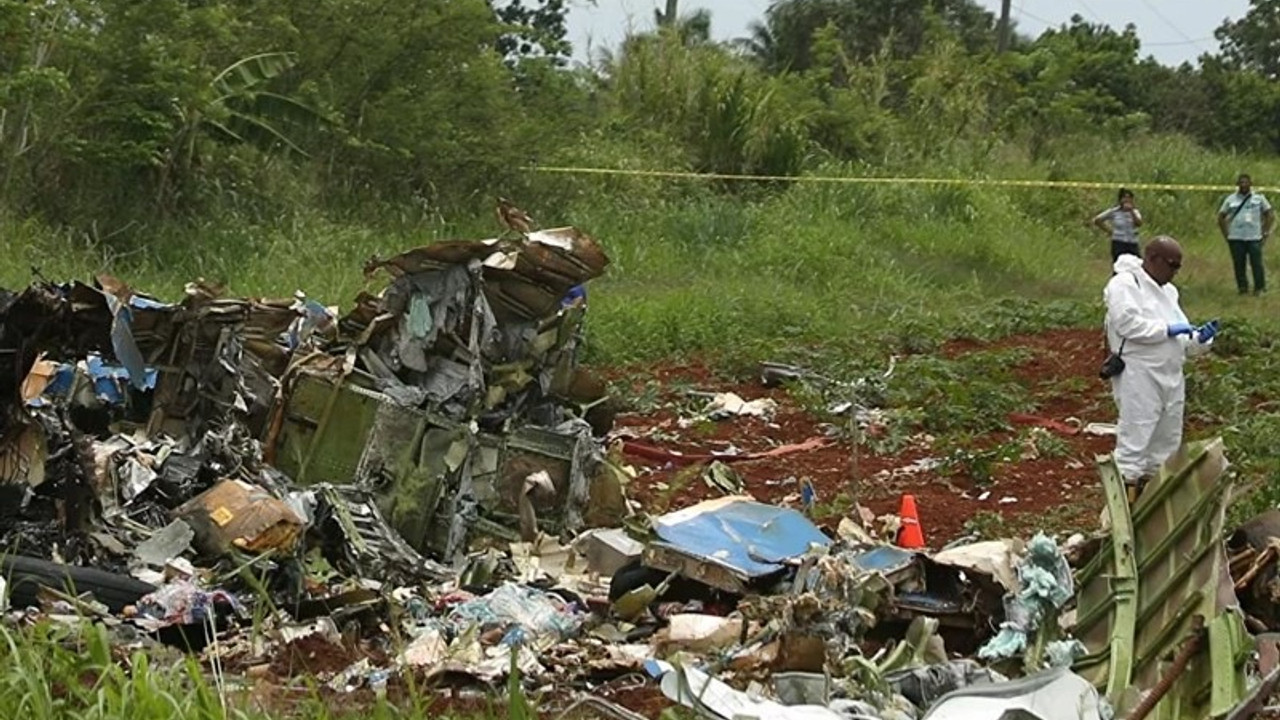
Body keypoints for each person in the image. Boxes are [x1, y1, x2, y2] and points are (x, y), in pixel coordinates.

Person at [1103, 236, 1218, 499]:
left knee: (1165, 446)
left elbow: (1181, 338)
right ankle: (1123, 512)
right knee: (1136, 440)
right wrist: (1166, 329)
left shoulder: (1169, 292)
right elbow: (1128, 324)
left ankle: (1153, 509)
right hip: (1140, 374)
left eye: (1179, 266)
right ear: (1152, 258)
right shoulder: (1124, 284)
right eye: (1172, 265)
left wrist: (1200, 339)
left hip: (1171, 375)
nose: (1175, 272)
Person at [1218, 173, 1274, 295]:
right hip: (1236, 237)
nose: (1243, 185)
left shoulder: (1259, 198)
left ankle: (1259, 288)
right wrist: (1226, 234)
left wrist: (1265, 231)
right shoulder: (1231, 199)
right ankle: (1242, 289)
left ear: (1250, 184)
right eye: (1241, 182)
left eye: (1246, 182)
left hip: (1254, 237)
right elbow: (1221, 216)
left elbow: (1269, 214)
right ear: (1237, 185)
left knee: (1257, 264)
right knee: (1239, 264)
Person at [1093, 188, 1143, 262]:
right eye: (1125, 198)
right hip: (1119, 242)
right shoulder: (1114, 211)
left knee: (1136, 264)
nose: (1127, 200)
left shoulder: (1135, 212)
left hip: (1132, 242)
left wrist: (1131, 211)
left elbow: (1139, 223)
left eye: (1129, 198)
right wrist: (1109, 231)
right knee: (1119, 265)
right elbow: (1098, 220)